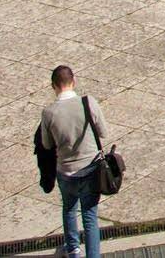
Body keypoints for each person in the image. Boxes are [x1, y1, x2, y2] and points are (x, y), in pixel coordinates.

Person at [37, 66, 109, 258]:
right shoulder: (88, 102)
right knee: (90, 215)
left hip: (66, 171)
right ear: (73, 81)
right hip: (91, 168)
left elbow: (46, 144)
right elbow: (103, 132)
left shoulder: (48, 113)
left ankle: (73, 250)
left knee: (69, 208)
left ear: (53, 86)